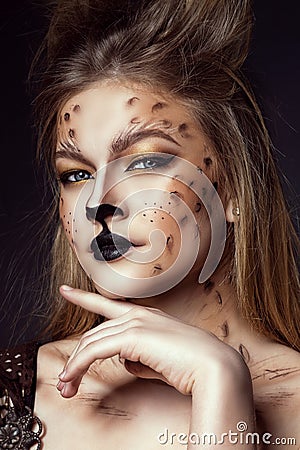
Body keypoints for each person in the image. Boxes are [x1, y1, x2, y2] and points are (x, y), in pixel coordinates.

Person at [0, 0, 299, 448]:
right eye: (76, 175)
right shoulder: (18, 396)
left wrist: (219, 384)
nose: (97, 204)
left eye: (145, 162)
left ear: (235, 188)